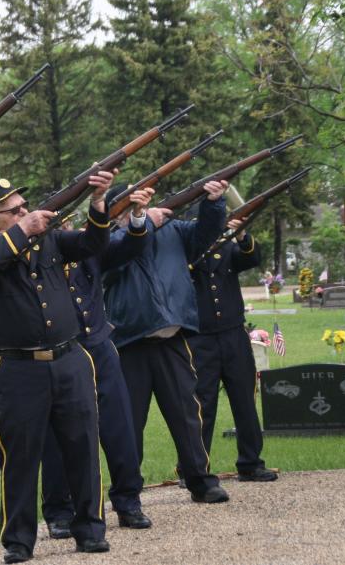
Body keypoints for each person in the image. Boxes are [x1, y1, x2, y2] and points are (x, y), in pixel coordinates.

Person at [0, 171, 115, 563]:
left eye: (24, 208)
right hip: (20, 369)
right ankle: (17, 541)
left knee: (82, 447)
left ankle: (90, 529)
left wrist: (98, 201)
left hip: (69, 359)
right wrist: (22, 231)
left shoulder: (49, 240)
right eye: (13, 211)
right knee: (19, 457)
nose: (24, 213)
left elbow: (93, 243)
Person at [102, 180, 231, 504]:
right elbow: (109, 260)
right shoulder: (106, 239)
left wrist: (213, 203)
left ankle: (200, 479)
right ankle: (128, 493)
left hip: (171, 337)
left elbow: (205, 237)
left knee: (188, 415)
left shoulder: (172, 229)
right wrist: (142, 224)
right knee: (130, 424)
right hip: (130, 341)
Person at [39, 186, 155, 540]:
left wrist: (136, 218)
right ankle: (60, 509)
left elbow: (128, 247)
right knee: (58, 436)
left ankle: (128, 500)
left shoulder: (88, 249)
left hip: (99, 346)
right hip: (63, 351)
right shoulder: (39, 254)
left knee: (118, 426)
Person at [186, 219, 277, 482]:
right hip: (200, 338)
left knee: (244, 400)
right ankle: (194, 468)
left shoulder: (226, 248)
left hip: (233, 335)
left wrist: (243, 234)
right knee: (202, 405)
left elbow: (252, 258)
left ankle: (251, 463)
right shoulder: (188, 251)